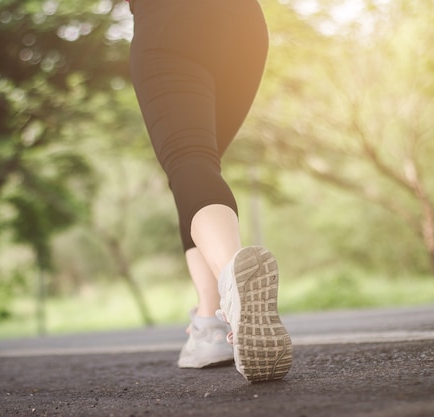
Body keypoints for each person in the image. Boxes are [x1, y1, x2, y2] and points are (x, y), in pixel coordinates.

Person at [127, 0, 292, 382]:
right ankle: (210, 324)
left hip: (169, 21)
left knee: (188, 160)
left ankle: (230, 282)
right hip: (244, 26)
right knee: (198, 168)